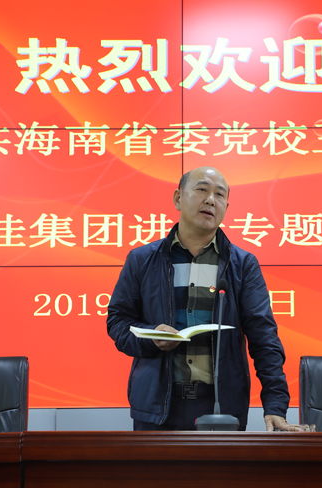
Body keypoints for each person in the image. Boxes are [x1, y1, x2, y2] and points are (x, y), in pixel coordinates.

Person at [107, 167, 302, 431]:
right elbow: (118, 323)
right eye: (201, 189)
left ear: (226, 208)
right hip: (156, 408)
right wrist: (151, 338)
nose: (211, 200)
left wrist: (275, 405)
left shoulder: (242, 265)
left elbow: (264, 338)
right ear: (178, 198)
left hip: (221, 408)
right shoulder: (142, 260)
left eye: (219, 195)